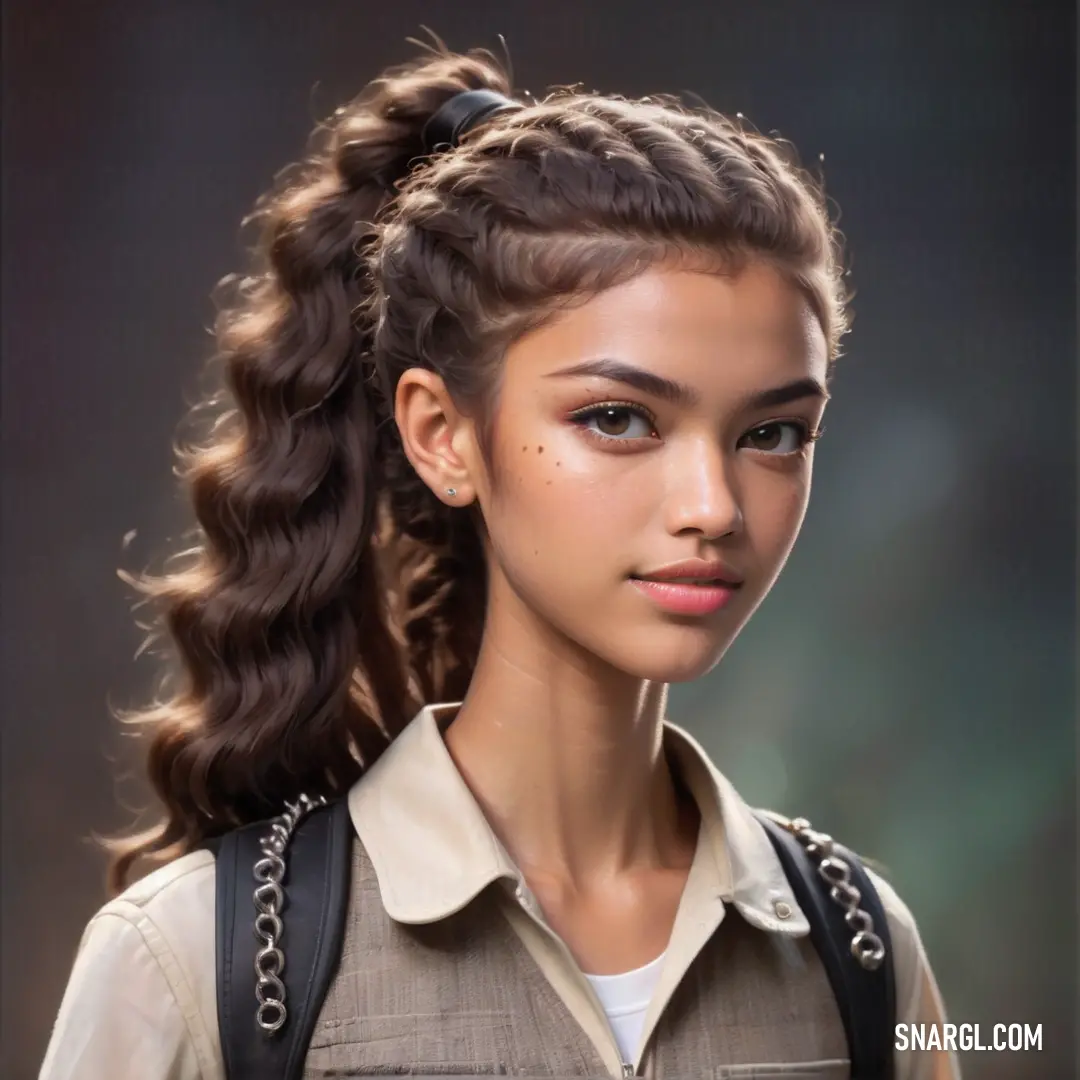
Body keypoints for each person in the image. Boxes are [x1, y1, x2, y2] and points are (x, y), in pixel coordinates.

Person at [40, 40, 959, 1080]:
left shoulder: (859, 955)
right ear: (442, 434)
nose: (714, 508)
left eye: (773, 434)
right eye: (619, 418)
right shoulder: (189, 967)